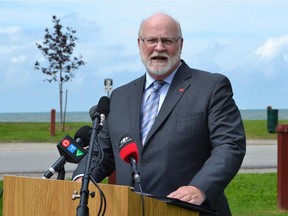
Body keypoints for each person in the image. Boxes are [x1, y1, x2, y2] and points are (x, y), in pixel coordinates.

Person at [73, 12, 246, 216]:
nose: (159, 47)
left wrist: (200, 188)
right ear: (139, 43)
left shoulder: (211, 87)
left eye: (167, 40)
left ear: (180, 44)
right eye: (152, 40)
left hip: (189, 210)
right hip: (128, 210)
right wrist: (82, 178)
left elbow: (229, 145)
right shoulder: (120, 96)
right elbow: (101, 151)